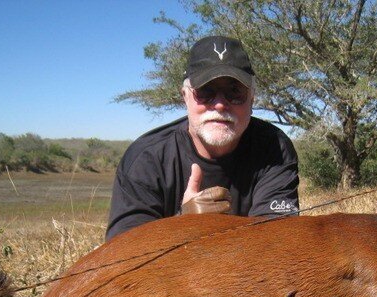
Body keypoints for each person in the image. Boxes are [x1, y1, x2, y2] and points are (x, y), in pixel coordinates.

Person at [106, 35, 300, 241]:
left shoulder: (274, 148)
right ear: (185, 96)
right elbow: (122, 260)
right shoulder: (144, 160)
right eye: (205, 91)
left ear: (251, 99)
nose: (219, 104)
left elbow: (277, 243)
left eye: (234, 92)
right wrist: (182, 225)